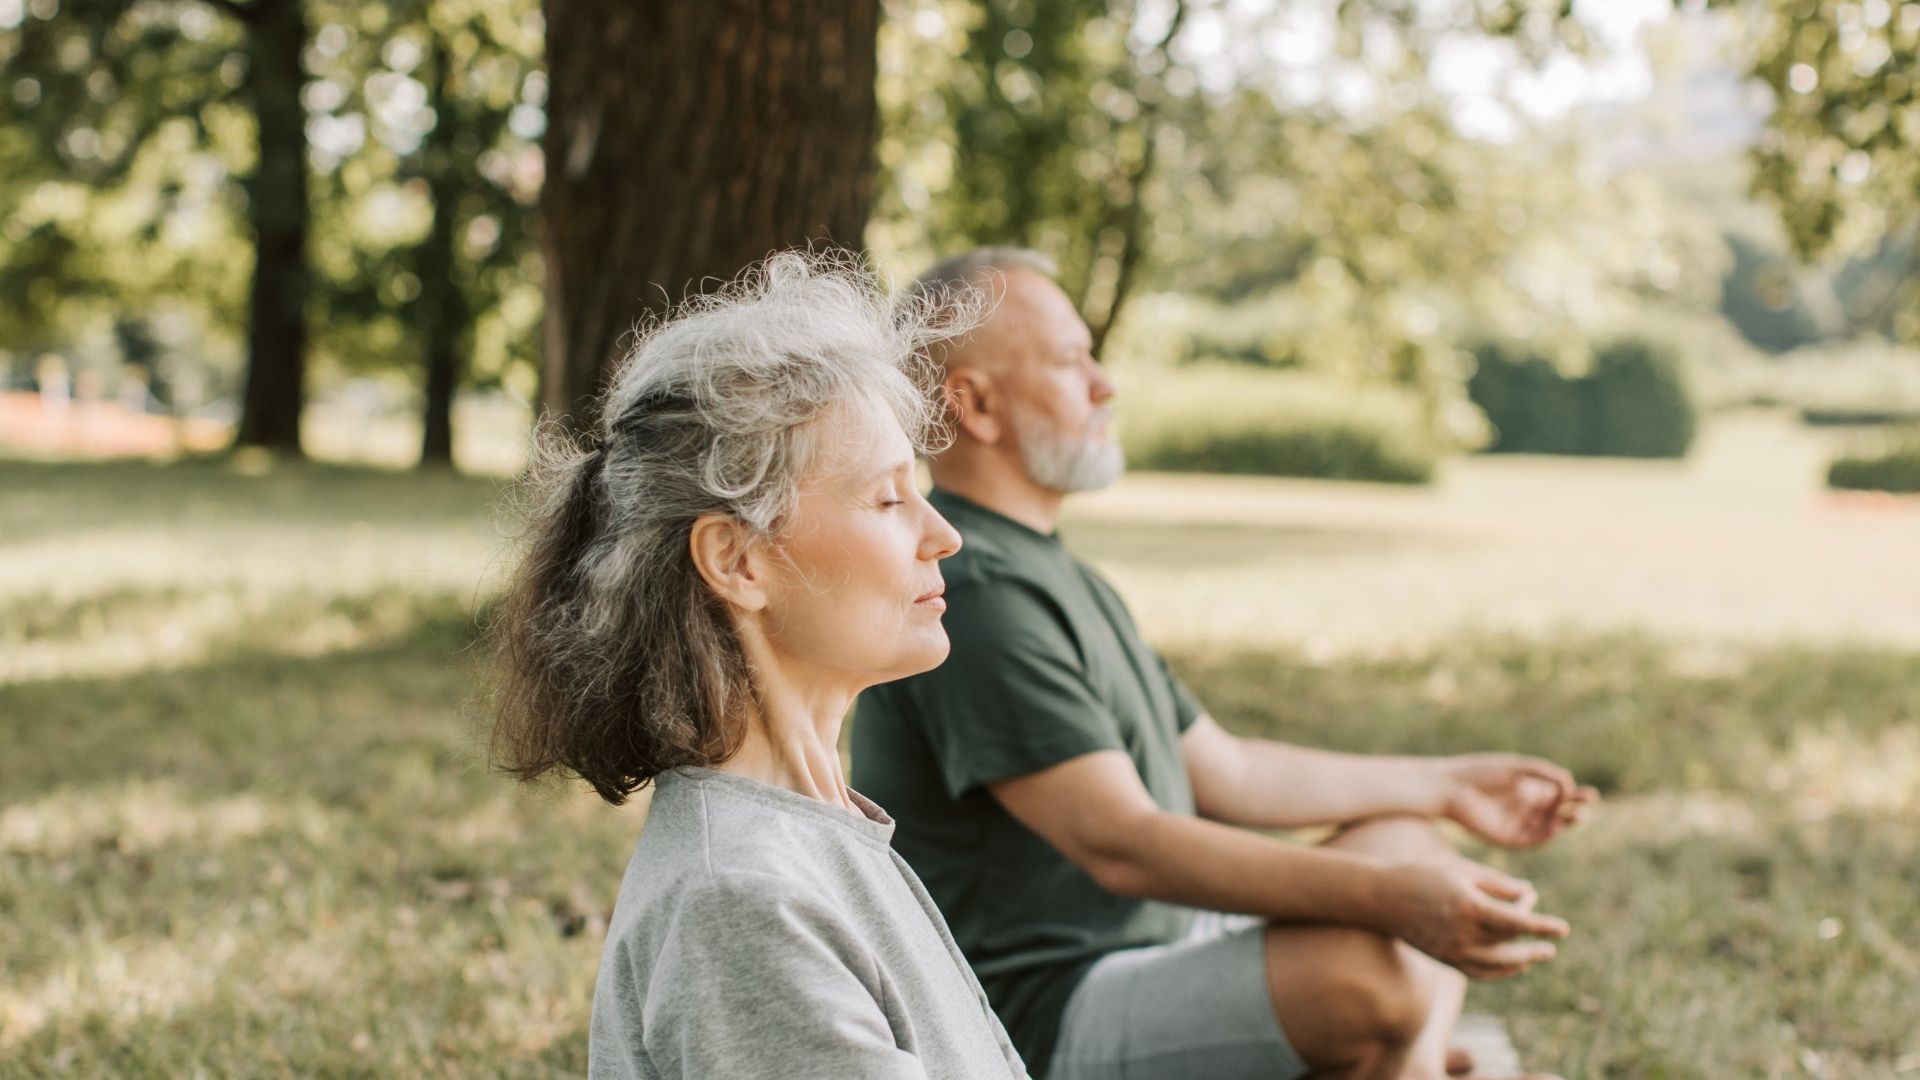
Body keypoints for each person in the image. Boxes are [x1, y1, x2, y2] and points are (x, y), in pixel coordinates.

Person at [852, 248, 1597, 1080]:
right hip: (1038, 1016)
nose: (1106, 385)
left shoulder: (1047, 567)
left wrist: (1447, 784)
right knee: (1375, 973)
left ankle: (1402, 1062)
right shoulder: (978, 592)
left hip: (1160, 945)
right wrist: (1391, 901)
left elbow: (1230, 770)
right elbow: (1123, 845)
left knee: (1408, 843)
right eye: (1070, 361)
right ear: (975, 405)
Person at [489, 253, 1030, 1080]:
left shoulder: (815, 835)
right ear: (738, 561)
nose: (943, 534)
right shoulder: (740, 900)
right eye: (888, 498)